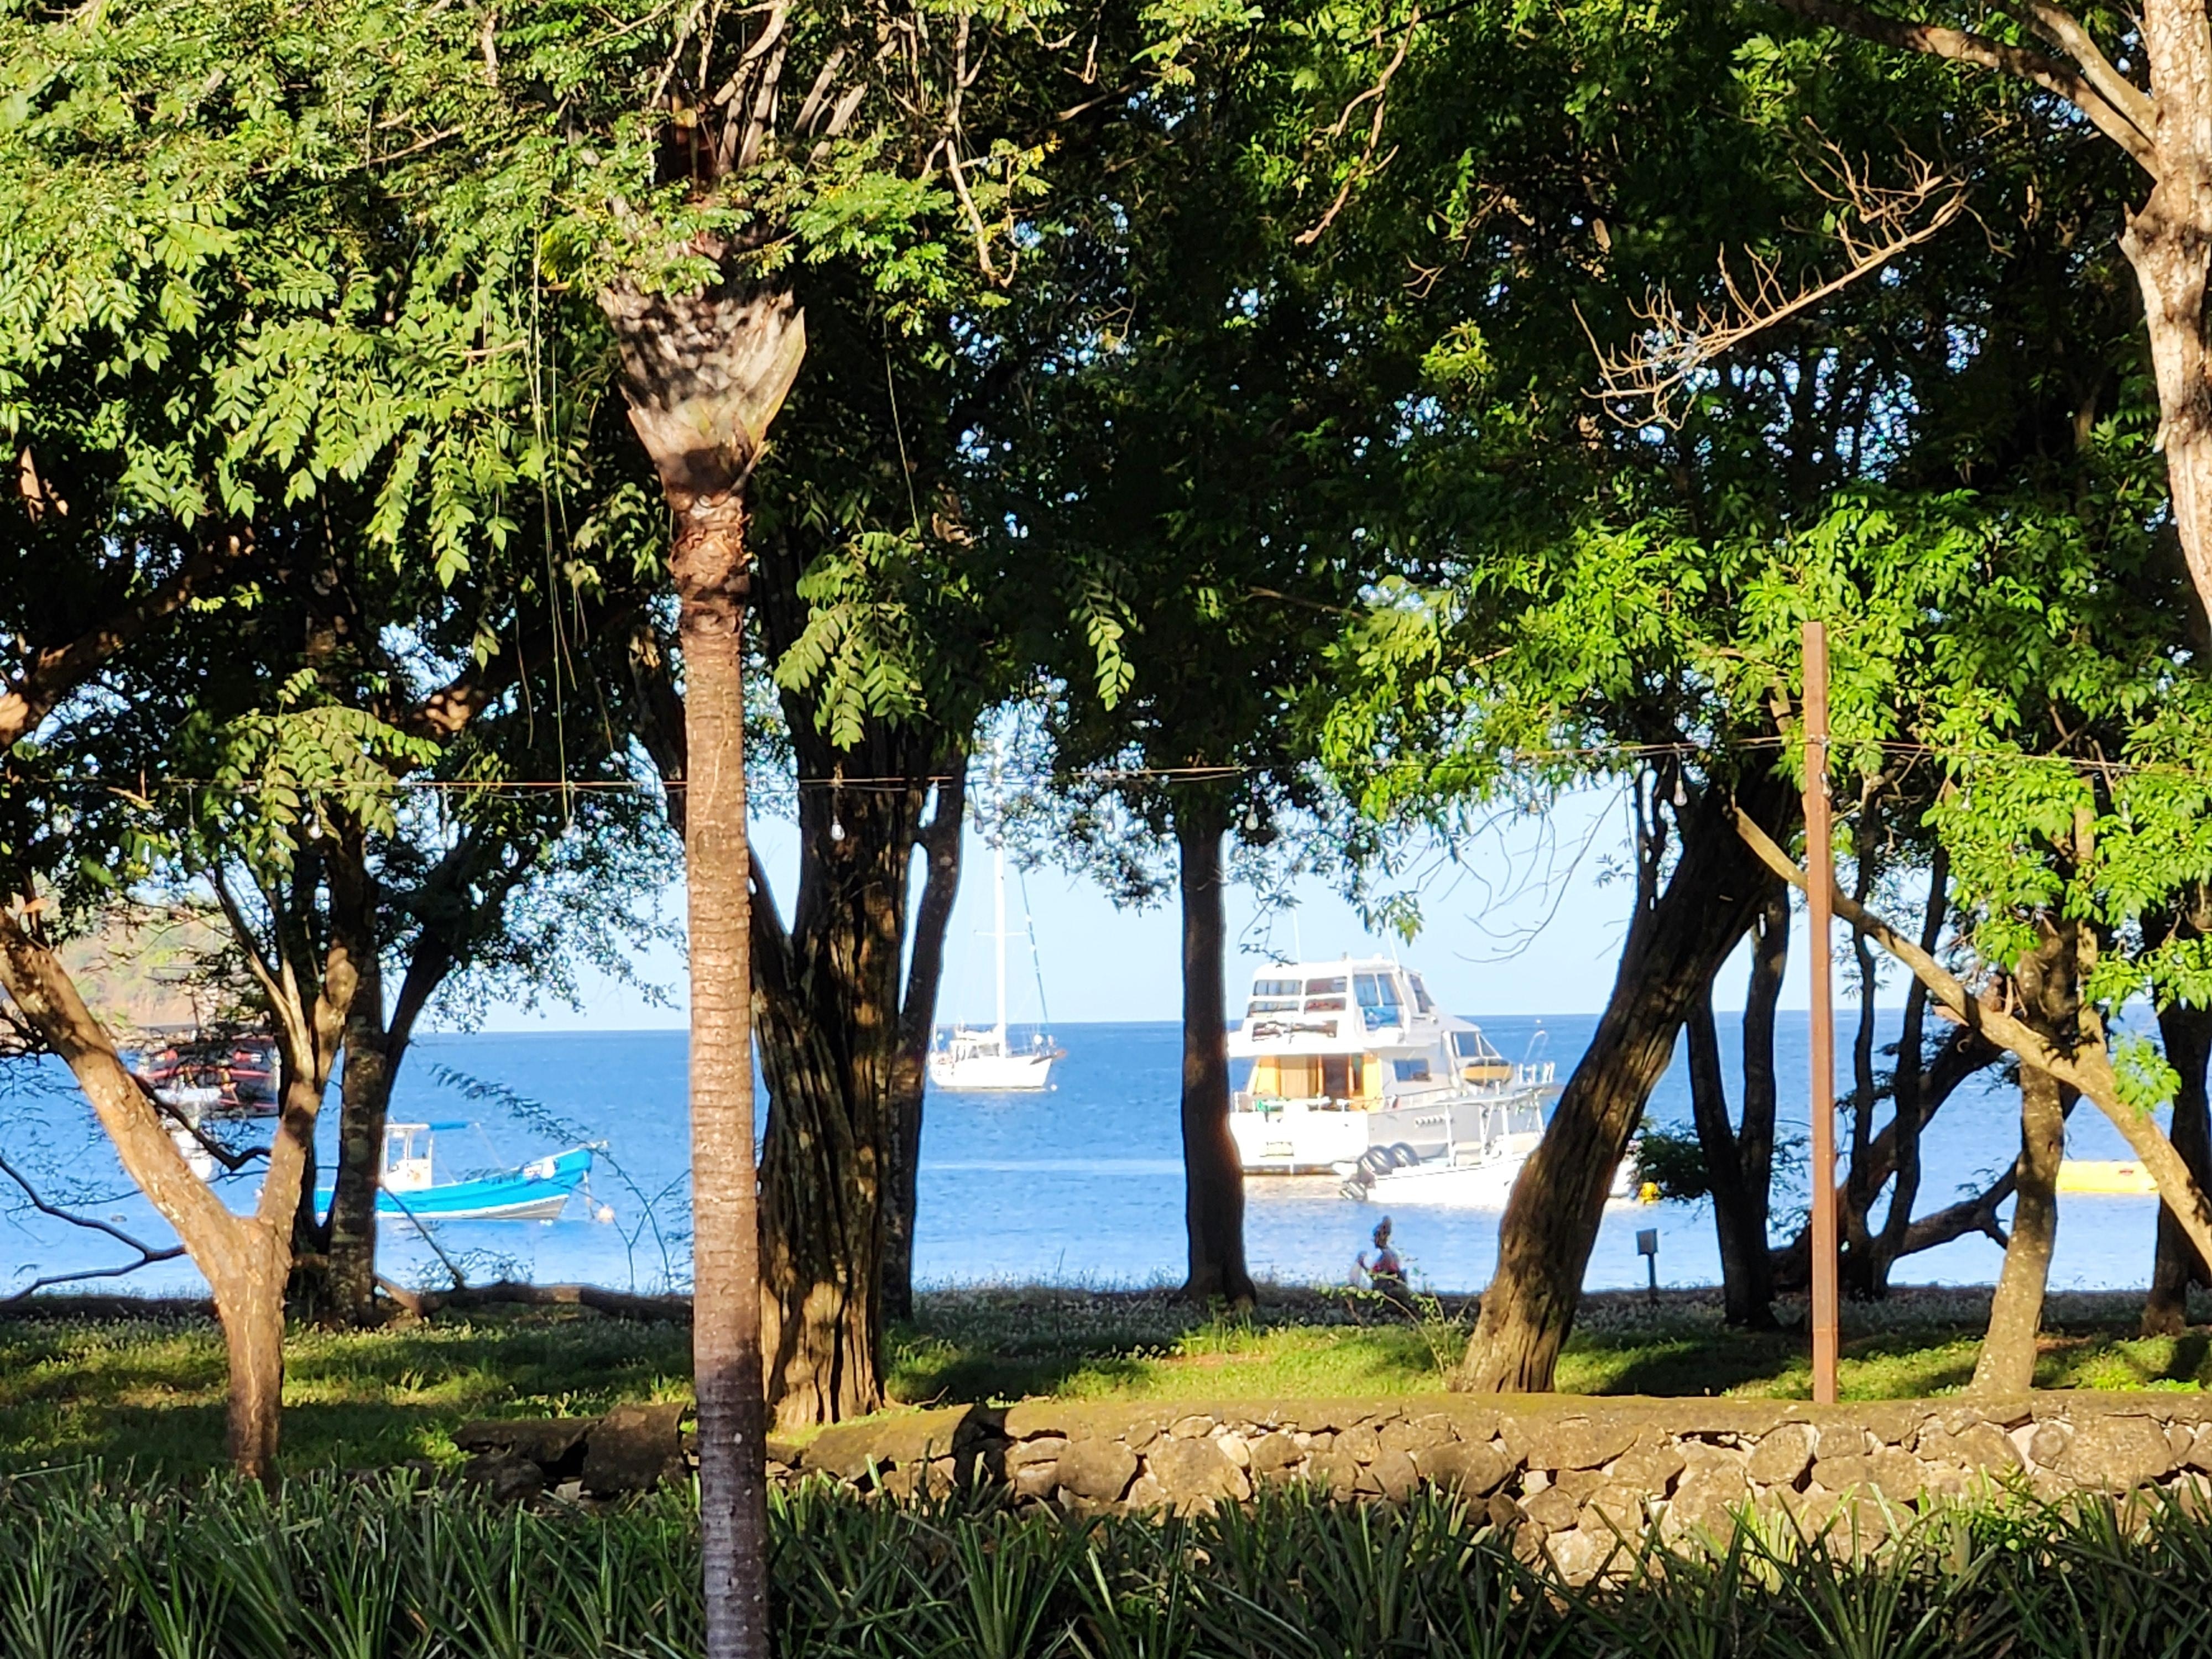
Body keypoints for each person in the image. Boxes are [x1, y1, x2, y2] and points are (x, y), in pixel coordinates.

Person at [1358, 1216, 1408, 1305]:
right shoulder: (1390, 1253)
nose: (1374, 1240)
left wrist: (1362, 1265)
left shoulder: (1386, 1255)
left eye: (1375, 1237)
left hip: (1388, 1293)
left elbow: (1378, 1277)